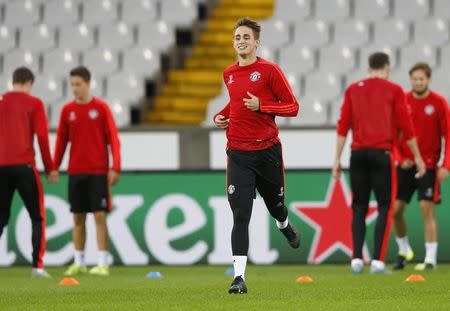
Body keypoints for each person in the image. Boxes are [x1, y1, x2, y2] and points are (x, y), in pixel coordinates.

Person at [214, 17, 300, 294]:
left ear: (256, 42)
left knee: (276, 206)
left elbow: (292, 107)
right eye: (237, 37)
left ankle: (283, 223)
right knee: (241, 214)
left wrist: (262, 105)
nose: (241, 41)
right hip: (238, 153)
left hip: (267, 153)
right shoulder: (229, 73)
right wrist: (223, 115)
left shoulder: (269, 71)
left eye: (246, 37)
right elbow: (236, 102)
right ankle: (238, 277)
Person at [332, 52, 426, 274]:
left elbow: (343, 126)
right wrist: (419, 159)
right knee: (385, 206)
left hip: (357, 155)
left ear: (369, 67)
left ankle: (356, 260)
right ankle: (377, 262)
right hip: (382, 154)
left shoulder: (353, 89)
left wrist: (336, 159)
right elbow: (407, 127)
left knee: (358, 207)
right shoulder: (394, 90)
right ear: (387, 67)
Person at [53, 66, 121, 277]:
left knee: (99, 216)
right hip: (76, 172)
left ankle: (102, 262)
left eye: (78, 84)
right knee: (78, 218)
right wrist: (54, 166)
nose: (75, 88)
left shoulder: (101, 108)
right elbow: (61, 141)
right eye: (72, 84)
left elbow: (113, 140)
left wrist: (115, 166)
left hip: (98, 172)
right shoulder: (67, 110)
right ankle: (79, 261)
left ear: (88, 83)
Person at [0, 67, 58, 277]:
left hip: (1, 167)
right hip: (25, 167)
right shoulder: (34, 103)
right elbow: (42, 138)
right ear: (29, 83)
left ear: (13, 81)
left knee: (1, 216)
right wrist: (50, 168)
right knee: (37, 217)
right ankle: (37, 267)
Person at [392, 63, 450, 271]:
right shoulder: (403, 102)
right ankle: (405, 250)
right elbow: (394, 135)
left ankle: (430, 260)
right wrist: (399, 158)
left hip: (429, 166)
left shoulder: (439, 103)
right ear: (410, 80)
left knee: (427, 210)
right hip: (405, 166)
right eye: (414, 78)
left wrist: (446, 165)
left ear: (428, 79)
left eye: (421, 79)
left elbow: (448, 135)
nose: (418, 82)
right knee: (396, 211)